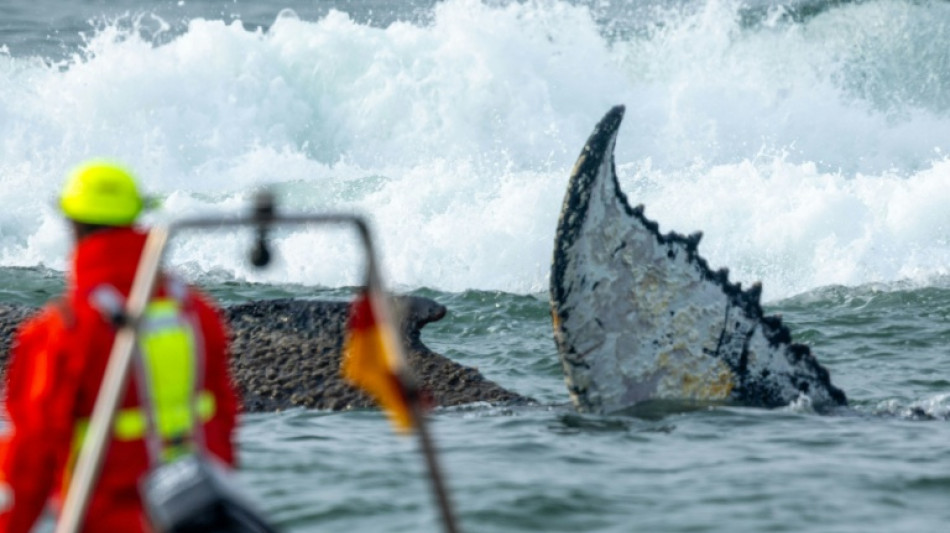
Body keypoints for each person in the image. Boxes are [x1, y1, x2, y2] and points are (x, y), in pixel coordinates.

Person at [0, 161, 240, 532]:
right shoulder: (194, 312)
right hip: (196, 514)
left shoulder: (62, 330)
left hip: (103, 518)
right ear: (136, 220)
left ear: (73, 225)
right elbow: (222, 416)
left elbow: (30, 458)